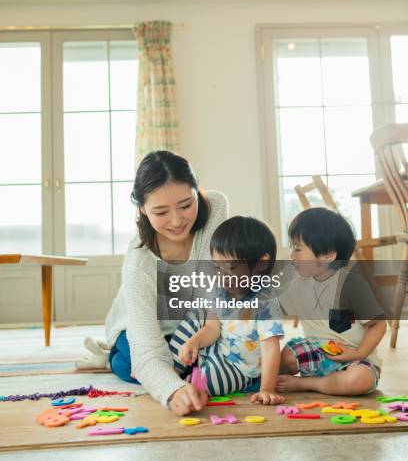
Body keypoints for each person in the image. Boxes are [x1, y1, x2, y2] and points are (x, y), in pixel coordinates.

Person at [87, 150, 228, 416]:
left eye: (186, 205)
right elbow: (148, 351)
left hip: (194, 323)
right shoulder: (140, 260)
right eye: (161, 211)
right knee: (136, 364)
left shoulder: (216, 208)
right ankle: (113, 356)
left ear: (197, 191)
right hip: (142, 330)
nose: (177, 221)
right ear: (142, 208)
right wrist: (173, 391)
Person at [169, 216, 285, 404]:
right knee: (196, 315)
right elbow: (212, 328)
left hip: (239, 368)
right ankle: (173, 370)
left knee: (207, 384)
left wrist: (267, 389)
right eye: (217, 267)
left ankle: (193, 380)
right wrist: (194, 342)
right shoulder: (219, 290)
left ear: (261, 264)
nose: (222, 275)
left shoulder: (265, 302)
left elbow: (270, 347)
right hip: (216, 347)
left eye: (230, 267)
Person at [276, 207, 387, 396]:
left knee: (359, 379)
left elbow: (378, 325)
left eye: (298, 248)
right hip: (316, 351)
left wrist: (358, 353)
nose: (292, 255)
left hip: (351, 359)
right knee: (285, 356)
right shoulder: (298, 284)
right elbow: (275, 307)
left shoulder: (352, 285)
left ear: (328, 255)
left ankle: (308, 384)